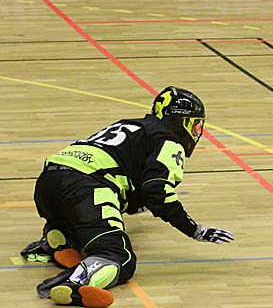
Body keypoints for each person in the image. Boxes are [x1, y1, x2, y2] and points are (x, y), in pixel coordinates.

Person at [21, 86, 234, 307]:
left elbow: (127, 178)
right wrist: (195, 230)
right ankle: (76, 284)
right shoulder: (169, 141)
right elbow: (157, 191)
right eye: (195, 125)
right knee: (118, 256)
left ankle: (63, 236)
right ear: (182, 121)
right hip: (86, 186)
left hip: (49, 181)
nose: (197, 132)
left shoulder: (132, 125)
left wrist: (139, 202)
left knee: (89, 219)